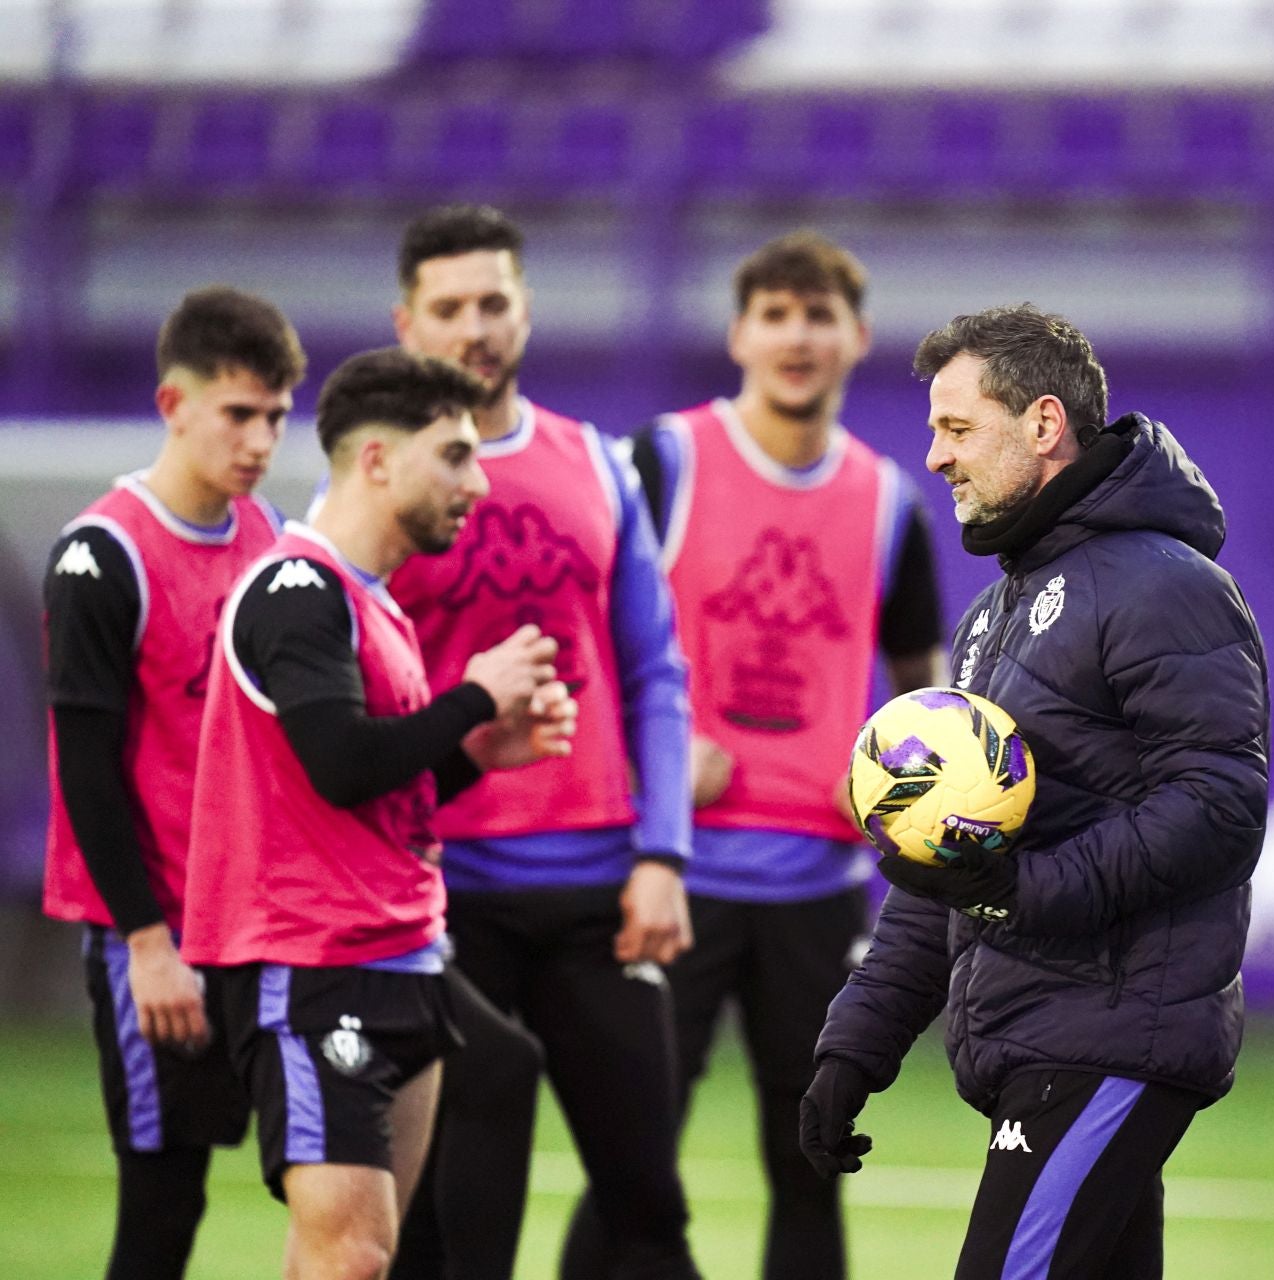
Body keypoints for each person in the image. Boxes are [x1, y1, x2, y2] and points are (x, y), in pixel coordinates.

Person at [798, 304, 1271, 1279]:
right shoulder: (989, 618)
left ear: (1044, 424)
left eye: (957, 428)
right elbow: (949, 862)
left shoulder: (1162, 583)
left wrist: (1029, 887)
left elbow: (1221, 802)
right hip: (1042, 1038)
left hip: (1111, 1037)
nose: (934, 456)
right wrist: (857, 1043)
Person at [563, 230, 947, 1280]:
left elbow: (929, 684)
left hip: (816, 889)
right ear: (738, 332)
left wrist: (896, 775)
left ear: (857, 336)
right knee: (630, 1160)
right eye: (775, 313)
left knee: (811, 1160)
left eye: (819, 314)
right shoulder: (662, 461)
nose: (797, 335)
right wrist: (656, 755)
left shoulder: (888, 501)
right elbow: (576, 634)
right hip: (667, 878)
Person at [179, 347, 575, 1280]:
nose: (477, 483)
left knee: (361, 1256)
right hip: (310, 963)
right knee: (349, 1256)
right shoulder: (297, 593)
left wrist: (476, 757)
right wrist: (474, 699)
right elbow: (340, 767)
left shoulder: (373, 605)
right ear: (376, 460)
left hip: (403, 953)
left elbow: (386, 800)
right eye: (455, 454)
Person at [380, 204, 700, 1280]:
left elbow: (656, 671)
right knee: (456, 1223)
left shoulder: (599, 464)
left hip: (598, 887)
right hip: (437, 892)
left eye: (494, 302)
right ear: (407, 321)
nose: (475, 326)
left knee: (649, 1208)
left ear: (526, 309)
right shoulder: (377, 486)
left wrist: (663, 854)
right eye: (450, 307)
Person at [41, 286, 305, 1280]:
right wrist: (146, 943)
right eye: (239, 412)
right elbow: (86, 768)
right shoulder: (100, 556)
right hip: (155, 934)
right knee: (163, 1201)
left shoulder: (273, 541)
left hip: (258, 922)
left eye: (277, 416)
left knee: (333, 1174)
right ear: (173, 403)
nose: (260, 438)